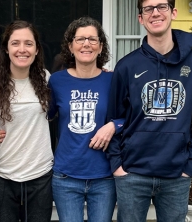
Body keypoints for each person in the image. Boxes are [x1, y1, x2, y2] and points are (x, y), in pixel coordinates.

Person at [106, 0, 192, 221]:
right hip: (132, 173)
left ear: (173, 12)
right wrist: (118, 166)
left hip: (176, 175)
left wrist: (190, 165)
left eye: (162, 6)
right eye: (148, 9)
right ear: (140, 18)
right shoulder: (127, 66)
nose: (155, 13)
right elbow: (114, 117)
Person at [48, 17, 121, 222]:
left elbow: (130, 116)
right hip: (66, 176)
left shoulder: (113, 80)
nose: (86, 44)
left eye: (92, 39)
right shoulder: (56, 81)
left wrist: (113, 125)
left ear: (100, 47)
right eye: (80, 39)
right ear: (70, 46)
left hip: (104, 176)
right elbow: (43, 116)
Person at [0, 20, 54, 222]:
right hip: (4, 175)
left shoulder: (47, 79)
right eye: (15, 43)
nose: (22, 49)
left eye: (28, 43)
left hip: (40, 175)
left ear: (36, 50)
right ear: (7, 49)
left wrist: (100, 72)